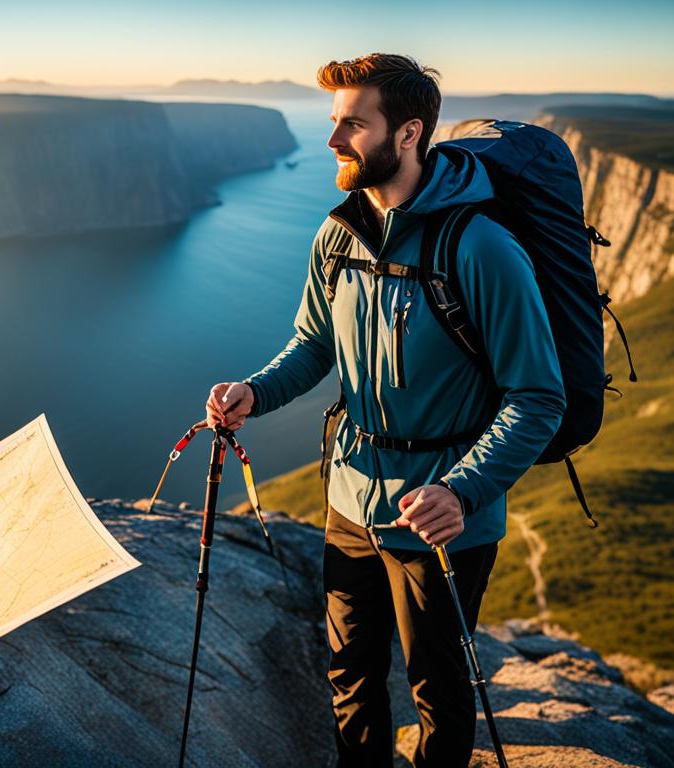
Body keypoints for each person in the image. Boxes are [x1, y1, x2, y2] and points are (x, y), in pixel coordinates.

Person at [205, 53, 566, 766]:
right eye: (334, 123)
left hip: (441, 515)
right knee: (350, 671)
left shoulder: (481, 249)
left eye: (353, 125)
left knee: (438, 687)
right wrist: (255, 391)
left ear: (408, 133)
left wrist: (461, 492)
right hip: (350, 497)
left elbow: (538, 397)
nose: (335, 140)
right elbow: (312, 345)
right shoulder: (339, 235)